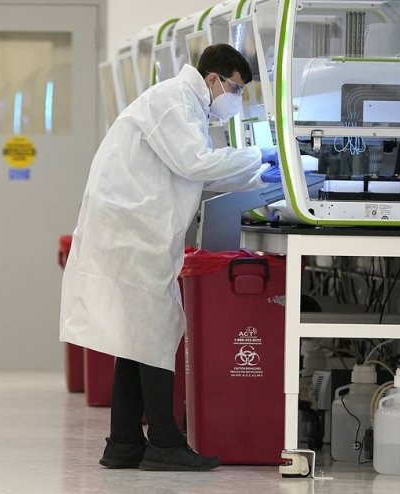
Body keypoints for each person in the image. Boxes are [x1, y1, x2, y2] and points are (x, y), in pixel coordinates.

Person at [59, 44, 280, 472]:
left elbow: (194, 171)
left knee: (135, 337)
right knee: (154, 331)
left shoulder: (186, 106)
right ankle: (164, 442)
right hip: (133, 231)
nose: (236, 99)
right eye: (236, 89)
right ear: (213, 79)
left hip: (135, 228)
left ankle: (124, 443)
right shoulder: (174, 102)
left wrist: (255, 173)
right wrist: (259, 157)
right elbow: (195, 164)